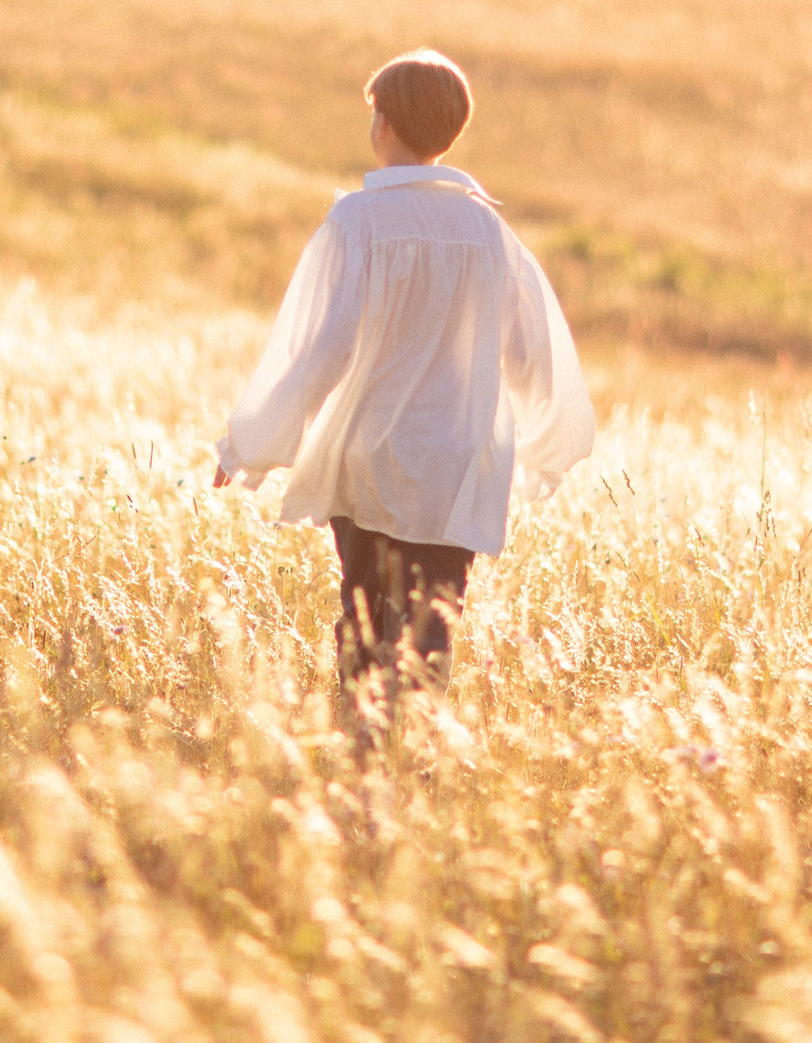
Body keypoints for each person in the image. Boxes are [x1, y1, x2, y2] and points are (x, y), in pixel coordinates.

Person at [212, 49, 595, 730]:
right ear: (453, 130)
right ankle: (412, 761)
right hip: (456, 462)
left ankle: (361, 758)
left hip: (370, 458)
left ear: (381, 124)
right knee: (431, 627)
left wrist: (253, 444)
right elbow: (534, 357)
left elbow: (316, 350)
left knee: (363, 615)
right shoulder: (490, 232)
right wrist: (544, 449)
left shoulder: (357, 222)